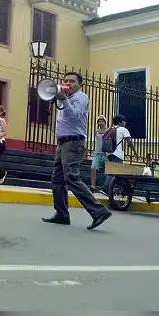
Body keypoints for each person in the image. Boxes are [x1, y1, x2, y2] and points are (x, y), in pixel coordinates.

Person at [42, 71, 113, 230]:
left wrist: (64, 99)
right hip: (63, 143)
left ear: (79, 84)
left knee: (71, 178)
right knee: (57, 180)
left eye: (72, 81)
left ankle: (99, 211)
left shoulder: (81, 97)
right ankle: (61, 214)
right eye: (66, 80)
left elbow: (75, 115)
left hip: (73, 143)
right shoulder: (65, 97)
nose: (68, 83)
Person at [90, 115, 108, 191]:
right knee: (93, 167)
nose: (101, 123)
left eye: (102, 121)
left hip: (105, 154)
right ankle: (93, 186)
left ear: (105, 122)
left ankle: (106, 187)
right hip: (97, 154)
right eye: (99, 121)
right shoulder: (96, 131)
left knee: (108, 170)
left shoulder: (108, 131)